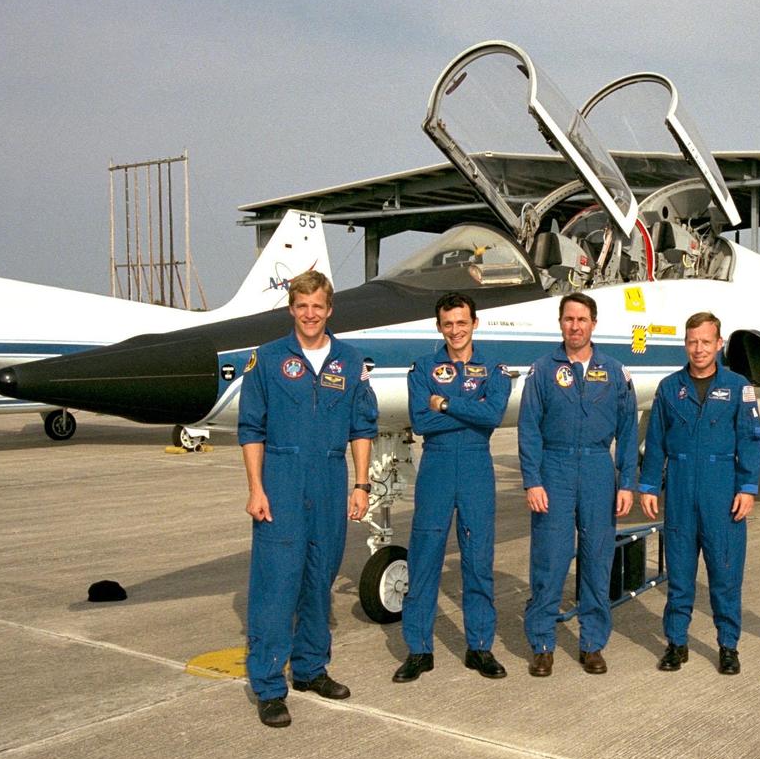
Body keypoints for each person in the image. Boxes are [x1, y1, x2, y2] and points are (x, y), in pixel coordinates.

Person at [238, 270, 378, 727]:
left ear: (329, 308)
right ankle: (269, 686)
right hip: (281, 477)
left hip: (330, 478)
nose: (310, 314)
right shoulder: (269, 358)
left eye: (317, 306)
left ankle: (311, 668)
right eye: (302, 306)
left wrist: (361, 484)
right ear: (291, 309)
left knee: (320, 579)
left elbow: (362, 427)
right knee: (276, 586)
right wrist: (256, 488)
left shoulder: (349, 361)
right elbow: (251, 429)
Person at [393, 293, 511, 683]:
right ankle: (418, 650)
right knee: (424, 557)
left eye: (462, 322)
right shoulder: (424, 368)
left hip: (477, 465)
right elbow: (421, 422)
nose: (456, 330)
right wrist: (465, 409)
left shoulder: (493, 368)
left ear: (474, 323)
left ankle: (480, 647)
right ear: (439, 326)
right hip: (438, 466)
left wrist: (445, 405)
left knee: (478, 559)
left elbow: (493, 415)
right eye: (448, 324)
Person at [519, 292, 638, 676]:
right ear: (561, 323)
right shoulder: (541, 370)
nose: (575, 326)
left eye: (582, 319)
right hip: (554, 468)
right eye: (569, 319)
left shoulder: (615, 371)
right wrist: (532, 481)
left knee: (597, 558)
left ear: (593, 324)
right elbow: (528, 430)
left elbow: (629, 430)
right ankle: (542, 643)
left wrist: (626, 483)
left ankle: (592, 644)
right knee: (549, 559)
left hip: (598, 468)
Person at [639, 312, 760, 675]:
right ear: (686, 344)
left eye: (706, 342)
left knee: (725, 575)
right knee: (679, 576)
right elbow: (656, 441)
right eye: (692, 341)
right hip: (679, 491)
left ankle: (728, 645)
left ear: (719, 344)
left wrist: (748, 487)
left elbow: (751, 441)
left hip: (721, 491)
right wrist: (648, 486)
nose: (699, 349)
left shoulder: (739, 387)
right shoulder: (669, 387)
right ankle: (677, 643)